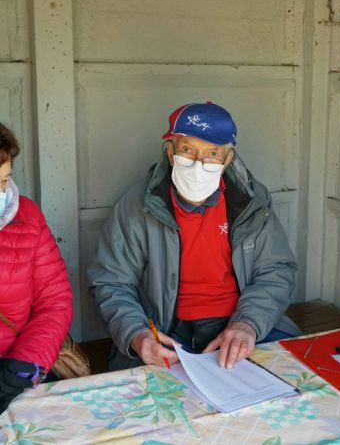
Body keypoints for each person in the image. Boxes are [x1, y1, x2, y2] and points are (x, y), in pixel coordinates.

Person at [88, 102, 300, 371]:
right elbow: (111, 282)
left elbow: (276, 270)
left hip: (239, 323)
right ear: (170, 152)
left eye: (212, 154)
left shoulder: (251, 202)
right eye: (188, 150)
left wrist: (248, 323)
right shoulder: (136, 206)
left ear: (227, 160)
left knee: (292, 380)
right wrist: (137, 335)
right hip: (167, 332)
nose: (198, 165)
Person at [0, 123, 73, 414]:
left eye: (4, 180)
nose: (2, 193)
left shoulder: (26, 215)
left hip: (18, 371)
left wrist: (21, 368)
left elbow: (55, 301)